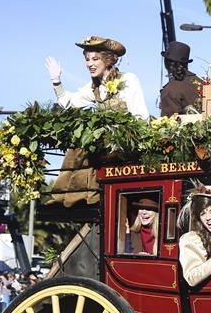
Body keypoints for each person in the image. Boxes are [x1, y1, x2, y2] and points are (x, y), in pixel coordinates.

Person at [44, 36, 150, 206]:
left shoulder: (128, 79)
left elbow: (141, 117)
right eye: (87, 59)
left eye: (95, 59)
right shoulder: (95, 86)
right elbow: (68, 102)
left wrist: (120, 135)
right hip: (106, 142)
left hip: (128, 142)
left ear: (107, 60)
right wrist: (56, 81)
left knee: (85, 145)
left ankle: (81, 196)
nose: (89, 64)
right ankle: (68, 195)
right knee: (79, 143)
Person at [159, 41, 202, 116]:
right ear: (186, 63)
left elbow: (168, 123)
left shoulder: (169, 90)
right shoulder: (201, 83)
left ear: (167, 63)